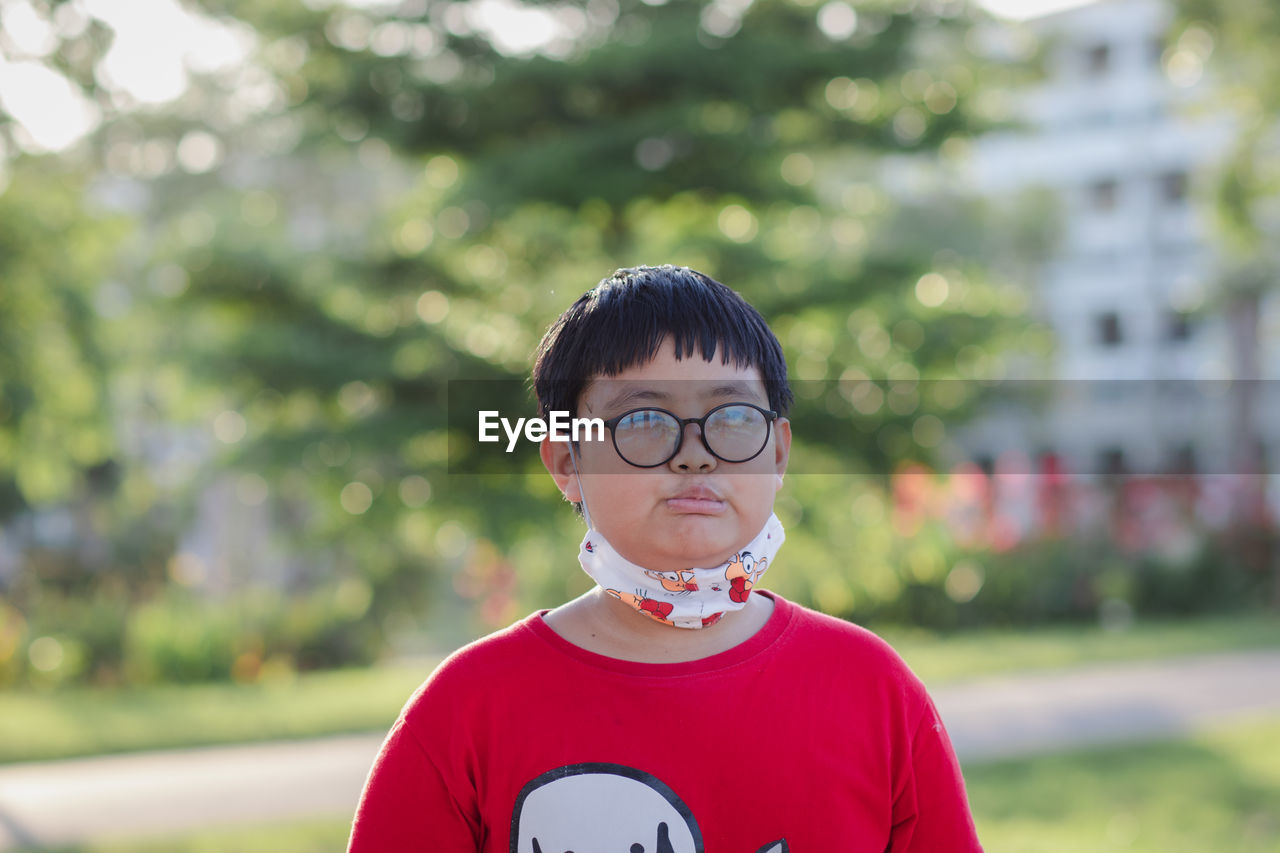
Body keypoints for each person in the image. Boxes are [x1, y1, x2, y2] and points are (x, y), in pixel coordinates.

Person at [347, 265, 983, 852]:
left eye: (732, 416)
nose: (695, 454)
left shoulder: (871, 688)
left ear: (779, 452)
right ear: (567, 461)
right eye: (645, 419)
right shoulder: (467, 708)